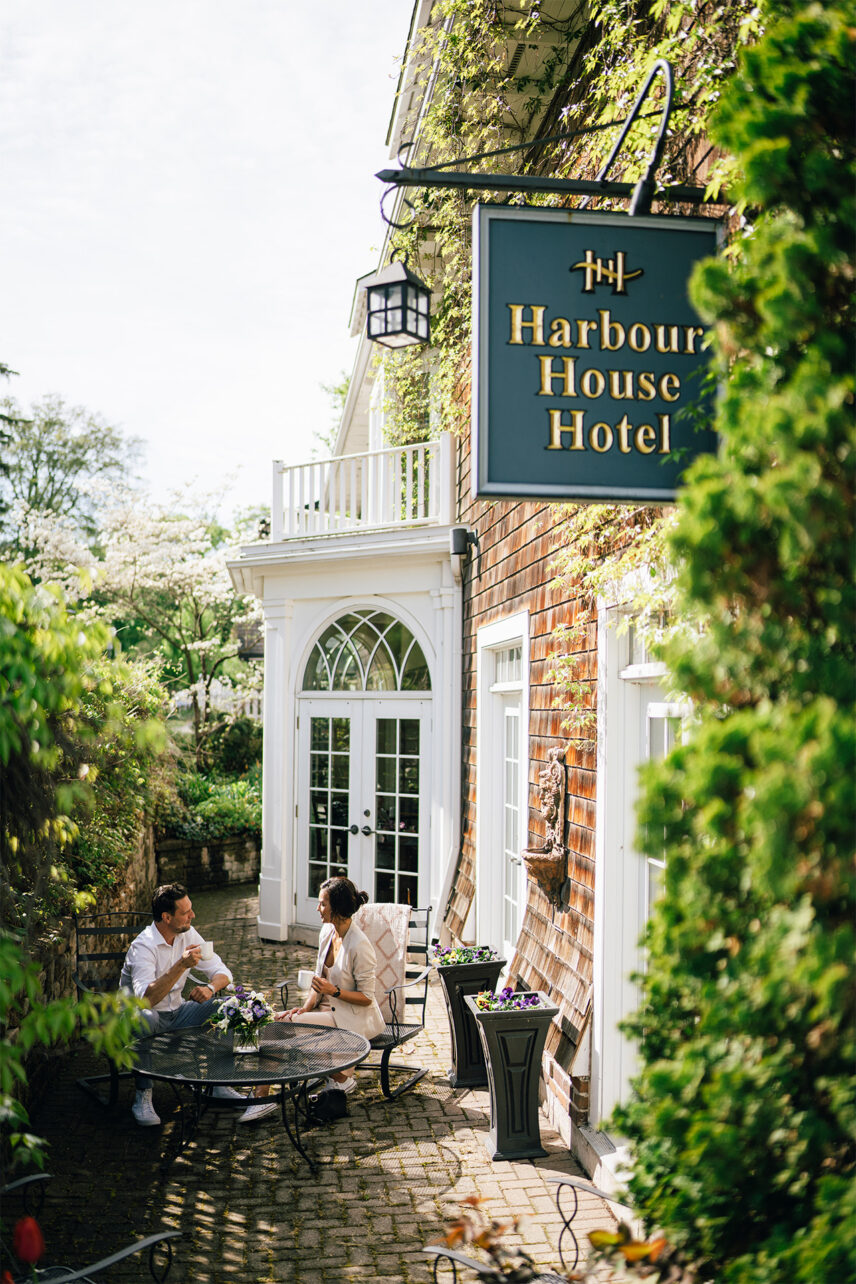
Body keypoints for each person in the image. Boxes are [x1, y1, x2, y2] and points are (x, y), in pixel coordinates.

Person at [239, 876, 385, 1123]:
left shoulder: (360, 946)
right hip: (328, 1009)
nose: (318, 909)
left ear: (336, 907)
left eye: (322, 904)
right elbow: (319, 980)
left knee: (277, 1028)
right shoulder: (327, 932)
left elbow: (367, 998)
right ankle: (338, 1078)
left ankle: (262, 1099)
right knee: (275, 1021)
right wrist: (304, 1008)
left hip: (353, 1015)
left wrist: (335, 991)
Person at [121, 882, 246, 1126]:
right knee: (144, 1015)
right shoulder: (143, 947)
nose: (193, 915)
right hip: (145, 1021)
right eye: (186, 912)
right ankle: (143, 1095)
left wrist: (211, 988)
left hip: (177, 1015)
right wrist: (181, 965)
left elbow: (223, 972)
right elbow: (145, 1000)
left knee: (230, 1006)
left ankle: (219, 1084)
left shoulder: (187, 933)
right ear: (166, 917)